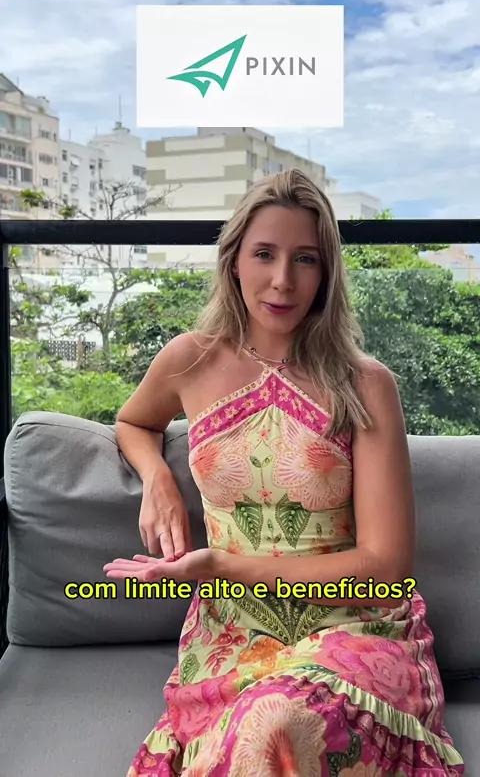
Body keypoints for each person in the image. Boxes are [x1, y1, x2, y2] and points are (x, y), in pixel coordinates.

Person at [104, 169, 464, 776]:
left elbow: (386, 567)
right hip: (233, 627)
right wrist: (157, 479)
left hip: (355, 624)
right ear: (233, 261)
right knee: (262, 727)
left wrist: (221, 567)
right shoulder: (190, 359)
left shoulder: (365, 384)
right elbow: (134, 421)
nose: (282, 281)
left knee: (277, 722)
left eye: (305, 259)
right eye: (264, 254)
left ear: (327, 274)